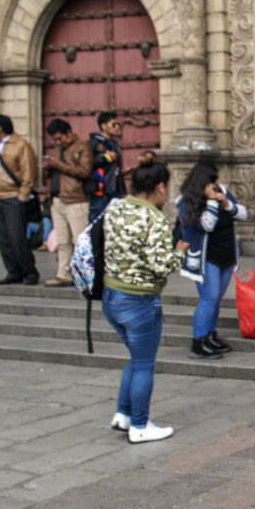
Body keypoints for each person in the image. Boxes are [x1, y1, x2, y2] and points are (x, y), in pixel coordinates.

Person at [102, 154, 189, 442]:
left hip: (111, 295)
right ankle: (139, 426)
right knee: (143, 364)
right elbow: (163, 265)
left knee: (136, 358)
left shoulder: (115, 208)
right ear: (160, 187)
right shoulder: (154, 218)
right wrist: (179, 250)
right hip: (138, 301)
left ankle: (123, 414)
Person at [177, 161, 247, 359]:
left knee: (216, 299)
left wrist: (227, 203)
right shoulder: (186, 201)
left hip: (226, 254)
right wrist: (212, 203)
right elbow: (206, 225)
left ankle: (210, 335)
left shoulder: (222, 191)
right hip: (206, 258)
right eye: (213, 179)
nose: (218, 182)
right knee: (209, 299)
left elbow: (243, 214)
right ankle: (198, 342)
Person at [0, 114, 40, 285]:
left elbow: (29, 172)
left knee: (17, 238)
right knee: (3, 238)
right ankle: (13, 271)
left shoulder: (21, 145)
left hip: (12, 198)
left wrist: (22, 197)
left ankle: (29, 271)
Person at [42, 118, 95, 287]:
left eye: (60, 138)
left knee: (80, 240)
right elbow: (55, 173)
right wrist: (49, 167)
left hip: (76, 200)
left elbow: (85, 171)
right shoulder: (58, 150)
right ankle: (64, 274)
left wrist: (60, 166)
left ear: (69, 133)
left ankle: (85, 274)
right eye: (55, 140)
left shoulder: (82, 148)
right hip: (57, 199)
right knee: (63, 240)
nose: (58, 142)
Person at [87, 111, 126, 223]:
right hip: (100, 192)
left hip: (115, 190)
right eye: (114, 124)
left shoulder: (115, 144)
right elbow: (87, 165)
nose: (117, 127)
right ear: (103, 126)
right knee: (98, 225)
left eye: (118, 124)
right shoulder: (93, 144)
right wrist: (105, 158)